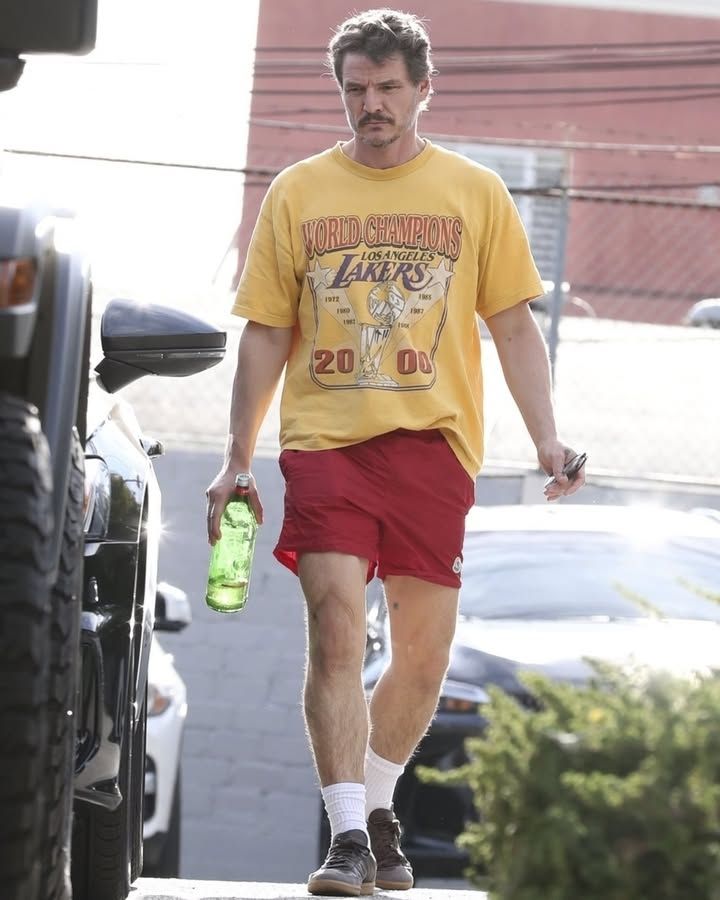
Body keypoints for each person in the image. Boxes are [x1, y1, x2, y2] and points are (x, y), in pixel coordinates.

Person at [206, 7, 586, 896]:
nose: (370, 103)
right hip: (325, 441)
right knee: (336, 627)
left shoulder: (474, 192)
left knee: (421, 657)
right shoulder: (298, 191)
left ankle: (378, 808)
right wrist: (237, 457)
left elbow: (513, 327)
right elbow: (266, 332)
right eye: (355, 88)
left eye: (386, 87)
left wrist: (547, 439)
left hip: (433, 446)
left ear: (422, 89)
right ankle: (346, 837)